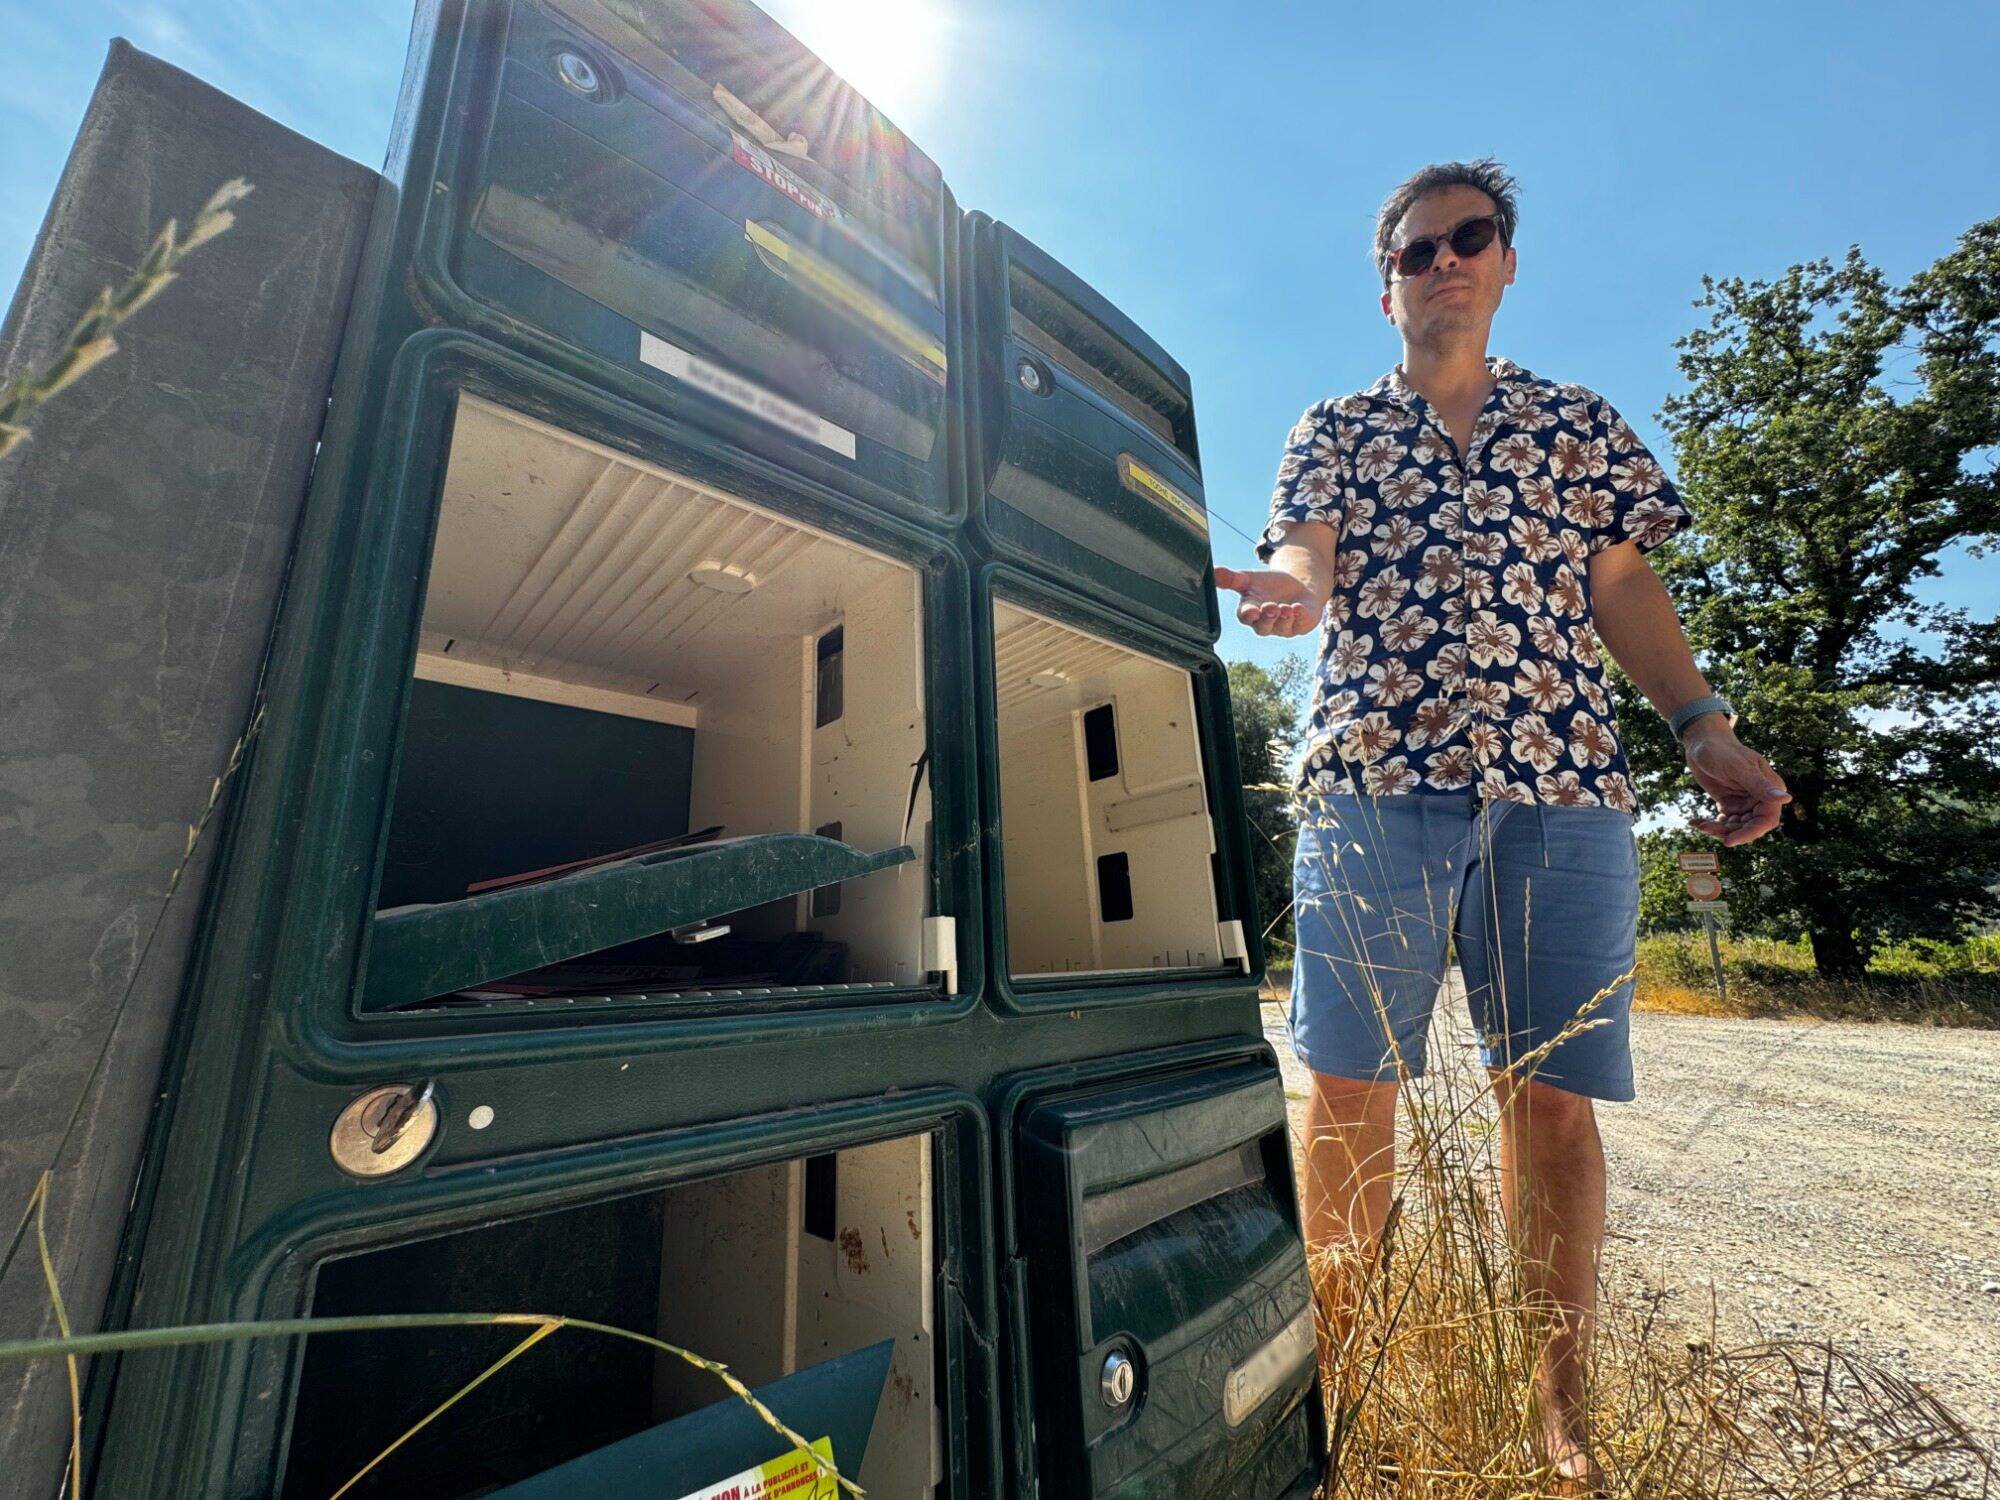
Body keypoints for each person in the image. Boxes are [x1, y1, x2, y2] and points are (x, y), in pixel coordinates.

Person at [1215, 158, 1789, 1484]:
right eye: (1417, 251)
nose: (1445, 262)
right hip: (1374, 784)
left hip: (1564, 789)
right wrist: (1296, 594)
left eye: (1469, 240)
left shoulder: (1576, 422)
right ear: (1387, 289)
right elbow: (1307, 551)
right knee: (1351, 1096)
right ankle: (1341, 1392)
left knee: (1551, 1104)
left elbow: (1625, 588)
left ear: (1506, 262)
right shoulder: (1334, 428)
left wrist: (1704, 724)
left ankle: (1560, 1414)